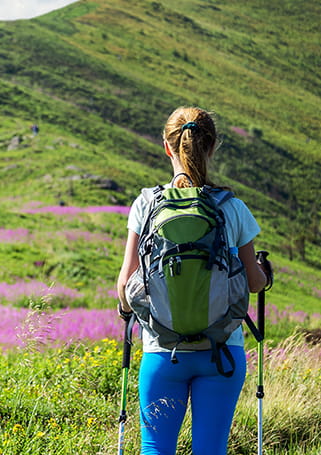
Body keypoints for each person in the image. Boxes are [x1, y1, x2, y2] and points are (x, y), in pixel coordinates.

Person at [116, 106, 268, 455]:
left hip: (161, 349)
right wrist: (264, 272)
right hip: (222, 350)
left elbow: (126, 287)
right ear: (212, 147)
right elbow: (254, 282)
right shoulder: (232, 207)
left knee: (155, 448)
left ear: (167, 147)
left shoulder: (147, 204)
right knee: (210, 449)